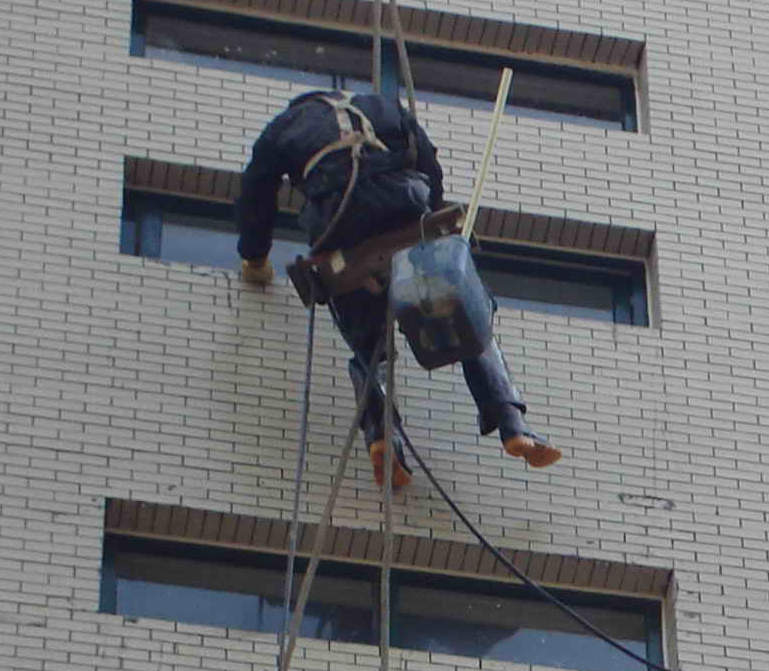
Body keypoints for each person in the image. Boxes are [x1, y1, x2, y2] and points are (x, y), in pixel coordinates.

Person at [235, 89, 561, 488]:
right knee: (466, 313)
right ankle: (512, 424)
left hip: (341, 228)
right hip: (403, 207)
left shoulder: (286, 126)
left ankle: (381, 436)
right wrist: (432, 223)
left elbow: (256, 192)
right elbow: (427, 161)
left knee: (368, 345)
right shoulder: (382, 106)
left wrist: (255, 258)